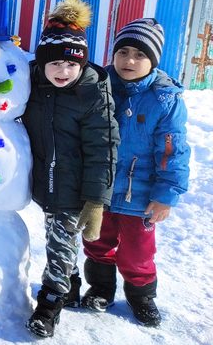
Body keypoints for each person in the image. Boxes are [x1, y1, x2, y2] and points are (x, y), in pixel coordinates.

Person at [81, 19, 190, 327]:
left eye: (140, 55)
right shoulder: (96, 86)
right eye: (123, 51)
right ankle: (100, 288)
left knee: (138, 252)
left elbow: (172, 150)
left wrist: (165, 195)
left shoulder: (164, 99)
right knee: (97, 242)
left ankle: (141, 296)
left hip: (140, 195)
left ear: (153, 60)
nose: (129, 60)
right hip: (99, 189)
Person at [21, 0, 119, 338]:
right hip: (42, 182)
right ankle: (71, 281)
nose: (64, 72)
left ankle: (49, 304)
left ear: (82, 65)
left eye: (72, 66)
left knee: (59, 243)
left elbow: (103, 149)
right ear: (42, 63)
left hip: (74, 187)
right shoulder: (31, 83)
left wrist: (95, 200)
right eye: (56, 65)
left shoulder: (92, 93)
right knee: (59, 239)